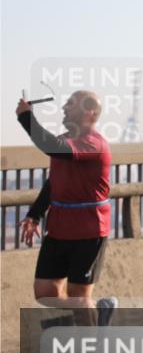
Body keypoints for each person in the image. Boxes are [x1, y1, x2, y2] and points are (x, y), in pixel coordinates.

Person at [15, 90, 116, 326]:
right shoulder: (66, 141)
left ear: (89, 112)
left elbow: (52, 147)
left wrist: (26, 118)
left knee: (79, 296)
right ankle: (97, 313)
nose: (64, 107)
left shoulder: (93, 143)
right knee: (45, 292)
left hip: (89, 230)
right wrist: (35, 215)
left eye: (71, 104)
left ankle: (91, 351)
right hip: (60, 229)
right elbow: (54, 182)